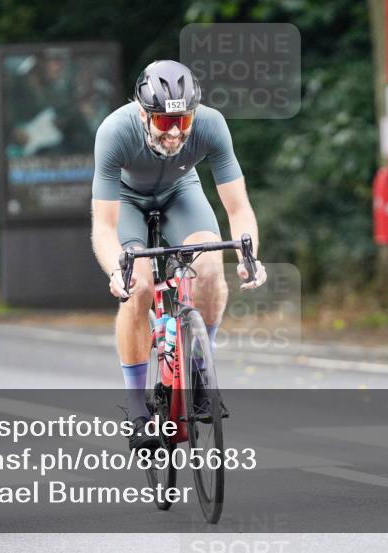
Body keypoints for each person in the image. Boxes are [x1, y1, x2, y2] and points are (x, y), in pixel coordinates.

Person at [90, 60, 267, 450]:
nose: (174, 133)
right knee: (138, 288)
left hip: (180, 192)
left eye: (183, 121)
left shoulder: (211, 124)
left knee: (210, 268)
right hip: (127, 201)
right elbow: (103, 226)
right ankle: (137, 408)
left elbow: (238, 207)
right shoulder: (114, 132)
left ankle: (200, 371)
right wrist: (117, 270)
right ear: (143, 114)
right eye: (165, 122)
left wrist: (249, 255)